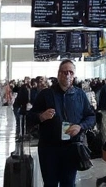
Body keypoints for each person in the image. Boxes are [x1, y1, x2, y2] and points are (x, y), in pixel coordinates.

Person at [29, 59, 97, 187]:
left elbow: (91, 117)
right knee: (50, 183)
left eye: (70, 72)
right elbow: (30, 116)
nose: (67, 75)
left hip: (71, 147)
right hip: (49, 148)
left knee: (69, 183)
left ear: (74, 75)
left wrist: (80, 126)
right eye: (64, 72)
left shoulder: (80, 95)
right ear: (58, 74)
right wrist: (41, 116)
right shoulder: (46, 95)